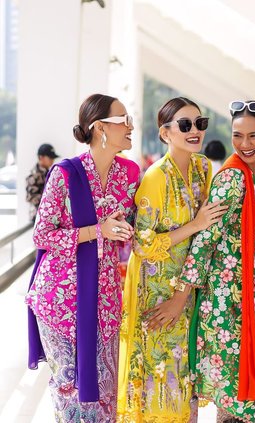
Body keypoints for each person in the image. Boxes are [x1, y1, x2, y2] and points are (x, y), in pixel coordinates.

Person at [25, 93, 140, 421]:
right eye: (124, 120)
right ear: (100, 127)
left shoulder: (127, 175)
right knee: (71, 393)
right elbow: (42, 235)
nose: (131, 126)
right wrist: (96, 230)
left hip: (105, 300)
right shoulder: (66, 173)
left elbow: (124, 226)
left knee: (105, 394)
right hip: (61, 300)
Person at [117, 97, 228, 422]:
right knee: (160, 376)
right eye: (185, 125)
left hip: (189, 289)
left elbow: (210, 230)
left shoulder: (203, 167)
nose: (195, 131)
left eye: (200, 123)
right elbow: (143, 244)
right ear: (165, 133)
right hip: (157, 292)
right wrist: (194, 224)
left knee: (184, 377)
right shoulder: (155, 177)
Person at [171, 100, 255, 422]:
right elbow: (205, 241)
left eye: (254, 136)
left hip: (252, 294)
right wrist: (181, 297)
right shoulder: (231, 179)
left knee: (247, 396)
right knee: (237, 398)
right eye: (238, 135)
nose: (245, 144)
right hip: (224, 301)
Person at [25, 143, 59, 221]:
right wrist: (51, 200)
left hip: (49, 214)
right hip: (38, 216)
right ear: (41, 157)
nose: (52, 160)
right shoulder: (34, 174)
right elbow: (30, 197)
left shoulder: (49, 172)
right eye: (50, 157)